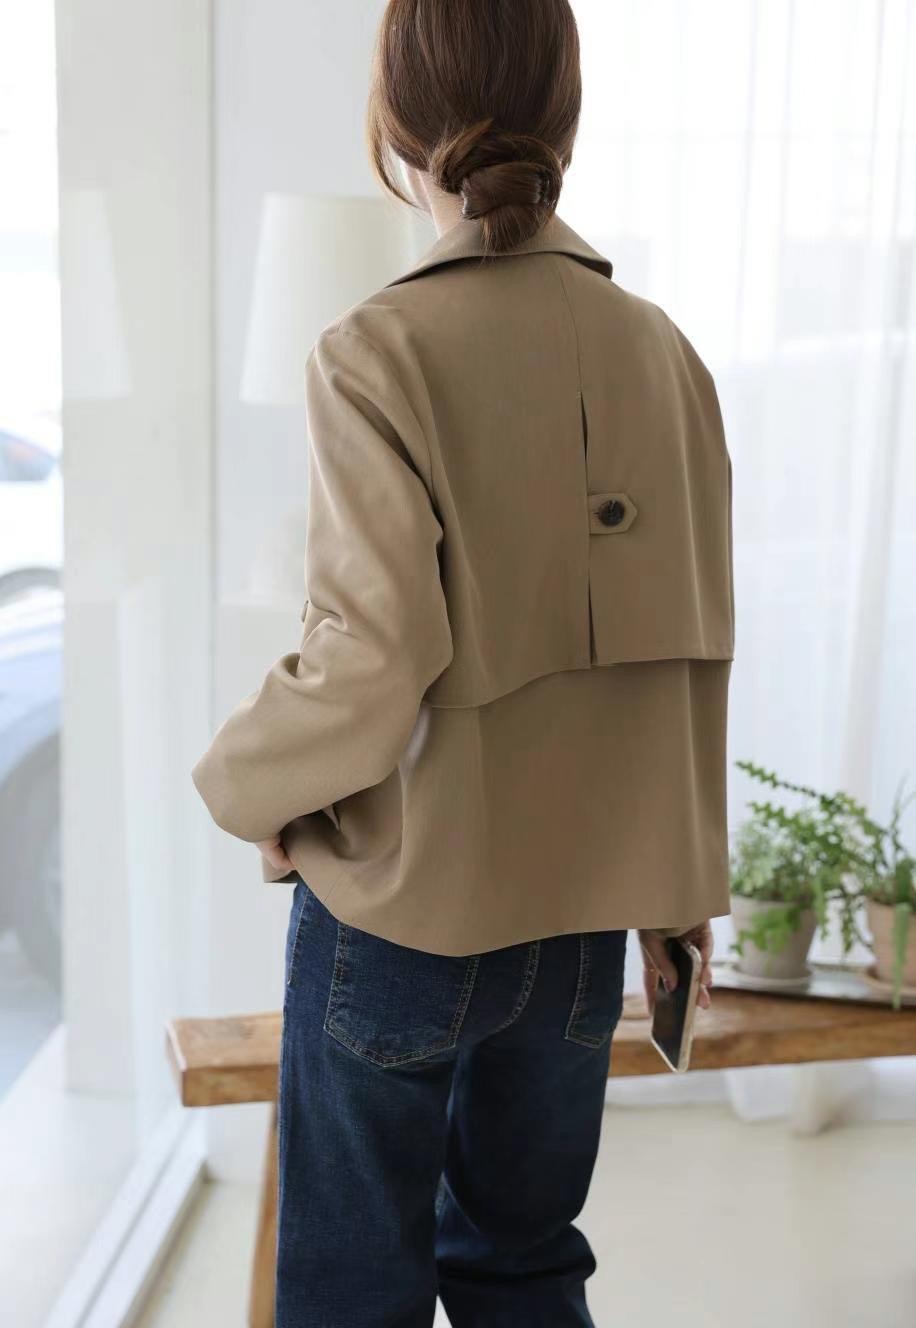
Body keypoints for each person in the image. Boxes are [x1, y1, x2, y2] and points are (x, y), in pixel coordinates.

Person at [191, 1, 734, 1323]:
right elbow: (691, 653)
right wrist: (676, 897)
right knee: (523, 1263)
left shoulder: (376, 351)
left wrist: (240, 786)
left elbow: (370, 664)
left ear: (394, 125)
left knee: (352, 1289)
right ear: (568, 116)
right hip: (585, 925)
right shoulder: (667, 353)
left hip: (403, 915)